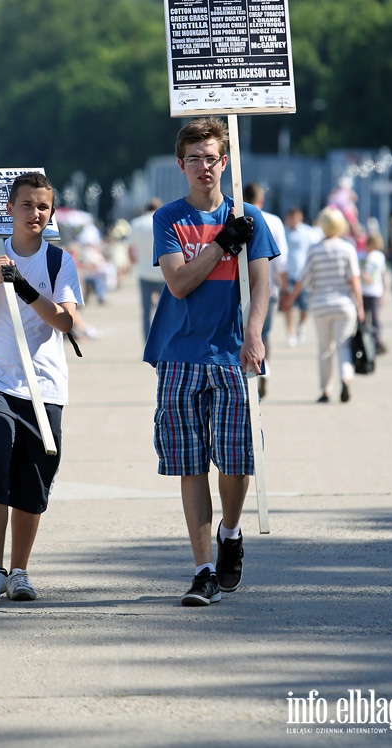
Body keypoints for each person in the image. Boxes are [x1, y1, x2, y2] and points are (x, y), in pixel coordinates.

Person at [143, 117, 279, 607]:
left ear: (226, 161)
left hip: (230, 353)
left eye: (212, 157)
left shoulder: (251, 218)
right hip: (180, 352)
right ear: (182, 165)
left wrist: (254, 334)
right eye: (195, 158)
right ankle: (202, 570)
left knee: (237, 457)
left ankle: (231, 531)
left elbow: (261, 284)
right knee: (189, 461)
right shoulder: (170, 219)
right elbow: (178, 283)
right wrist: (223, 242)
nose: (205, 166)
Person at [0, 171, 83, 603]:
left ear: (51, 213)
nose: (35, 213)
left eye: (43, 206)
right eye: (26, 204)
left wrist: (25, 290)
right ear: (9, 209)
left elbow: (66, 322)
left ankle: (20, 571)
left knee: (34, 474)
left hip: (44, 385)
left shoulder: (58, 261)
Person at [286, 207, 363, 403]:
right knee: (343, 346)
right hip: (344, 305)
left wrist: (291, 299)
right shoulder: (347, 249)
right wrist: (360, 307)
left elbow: (303, 279)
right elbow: (354, 281)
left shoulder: (315, 249)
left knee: (324, 349)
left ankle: (325, 390)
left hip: (320, 306)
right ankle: (346, 378)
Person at [243, 183, 288, 398]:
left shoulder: (234, 216)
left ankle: (248, 374)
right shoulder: (274, 221)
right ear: (261, 200)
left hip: (241, 288)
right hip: (268, 288)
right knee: (264, 332)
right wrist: (285, 288)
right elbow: (281, 261)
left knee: (243, 332)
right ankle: (264, 367)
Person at [128, 198, 166, 341]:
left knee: (145, 311)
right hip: (163, 272)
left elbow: (131, 248)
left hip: (143, 271)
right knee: (164, 310)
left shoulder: (137, 223)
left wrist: (133, 264)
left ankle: (147, 342)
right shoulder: (164, 219)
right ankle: (163, 341)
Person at [283, 207, 317, 346]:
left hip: (303, 275)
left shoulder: (308, 232)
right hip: (288, 273)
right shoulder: (284, 231)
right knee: (288, 305)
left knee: (305, 306)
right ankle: (290, 332)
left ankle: (301, 326)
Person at [360, 233, 388, 354]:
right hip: (362, 291)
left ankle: (378, 341)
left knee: (375, 318)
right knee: (362, 318)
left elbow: (382, 275)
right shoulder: (361, 255)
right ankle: (361, 341)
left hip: (375, 291)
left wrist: (384, 292)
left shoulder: (379, 256)